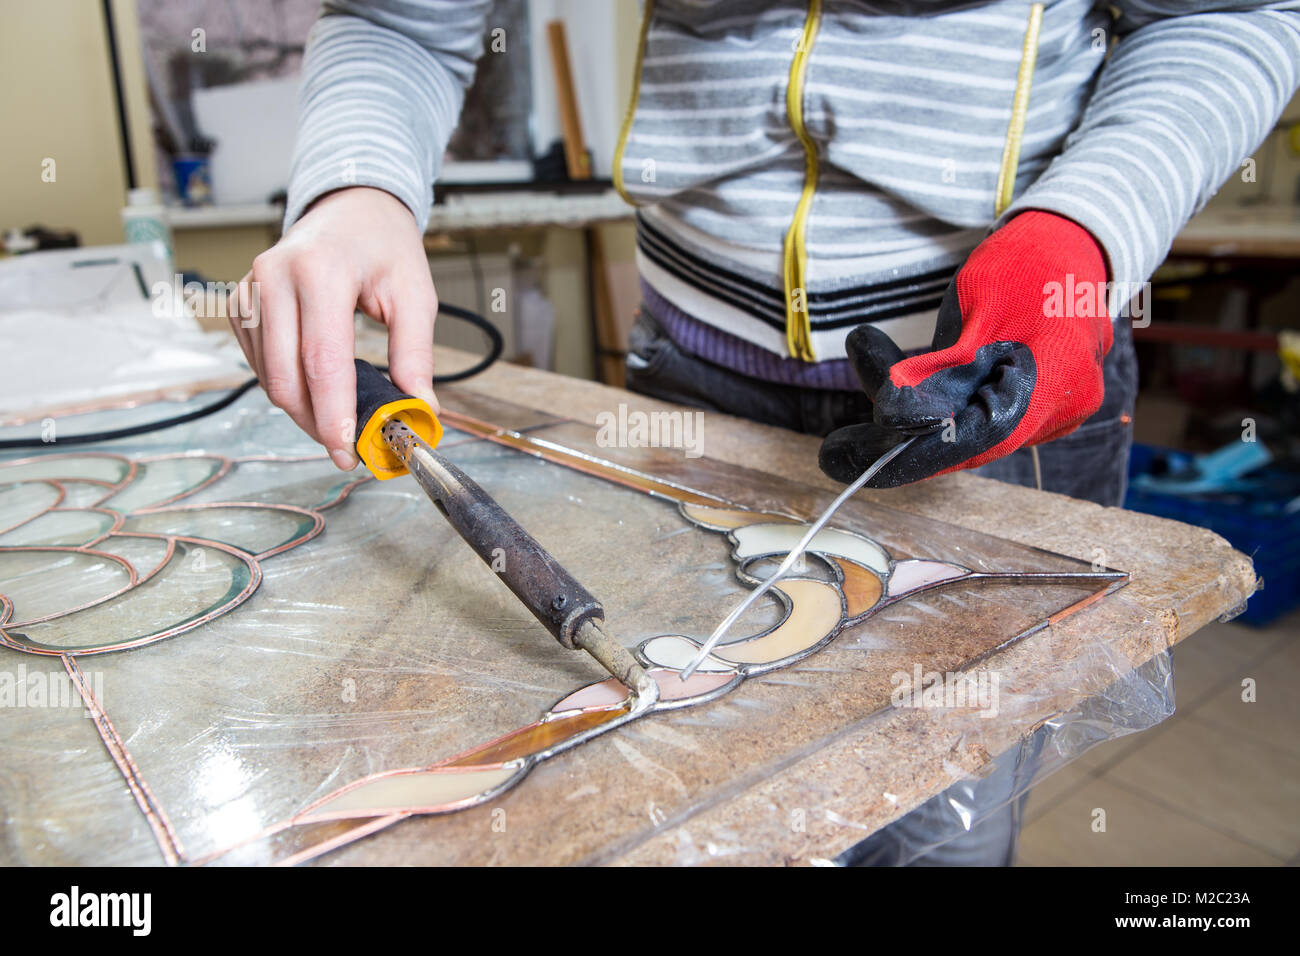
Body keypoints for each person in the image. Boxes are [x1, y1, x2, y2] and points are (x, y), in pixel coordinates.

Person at [229, 0, 1300, 864]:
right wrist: (357, 185)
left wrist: (1085, 234)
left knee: (933, 825)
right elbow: (406, 19)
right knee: (684, 809)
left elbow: (1233, 13)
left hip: (982, 376)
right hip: (690, 376)